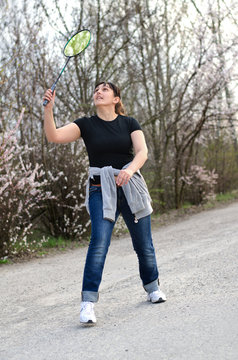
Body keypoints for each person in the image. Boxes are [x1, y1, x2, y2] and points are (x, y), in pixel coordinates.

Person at [43, 81, 166, 325]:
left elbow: (142, 152)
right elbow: (54, 136)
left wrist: (130, 170)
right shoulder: (85, 124)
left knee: (144, 244)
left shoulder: (130, 123)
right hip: (101, 188)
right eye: (96, 89)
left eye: (105, 89)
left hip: (131, 186)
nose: (99, 92)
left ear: (116, 99)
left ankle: (153, 288)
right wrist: (48, 109)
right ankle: (87, 304)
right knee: (98, 243)